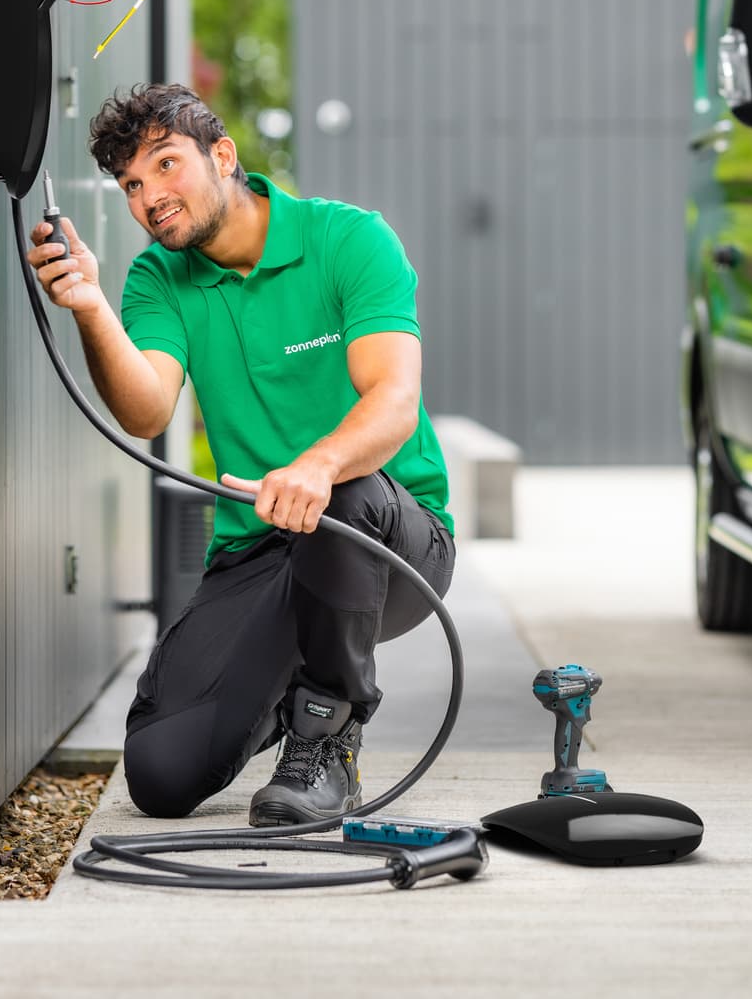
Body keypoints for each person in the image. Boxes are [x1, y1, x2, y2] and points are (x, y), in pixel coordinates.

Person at [28, 83, 456, 825]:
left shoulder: (347, 239)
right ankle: (286, 697)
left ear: (222, 155)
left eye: (165, 165)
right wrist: (91, 308)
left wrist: (317, 463)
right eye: (131, 184)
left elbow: (393, 400)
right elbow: (146, 408)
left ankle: (327, 739)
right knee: (161, 775)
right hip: (260, 549)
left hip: (389, 538)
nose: (149, 196)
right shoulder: (159, 278)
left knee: (340, 492)